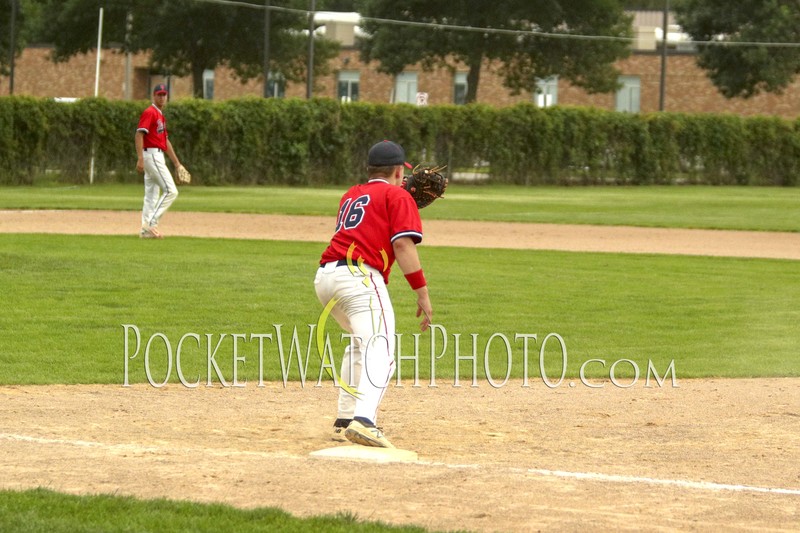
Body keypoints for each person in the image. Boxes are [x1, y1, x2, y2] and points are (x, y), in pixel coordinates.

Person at [314, 140, 433, 449]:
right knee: (381, 351)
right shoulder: (397, 195)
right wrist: (422, 292)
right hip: (359, 279)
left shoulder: (351, 194)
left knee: (360, 343)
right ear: (397, 170)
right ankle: (364, 420)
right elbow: (403, 246)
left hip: (326, 277)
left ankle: (344, 420)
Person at [135, 83, 183, 239]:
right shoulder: (150, 112)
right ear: (153, 96)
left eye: (164, 94)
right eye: (159, 94)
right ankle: (151, 225)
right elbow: (139, 135)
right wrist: (140, 158)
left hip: (157, 155)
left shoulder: (160, 115)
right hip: (151, 156)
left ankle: (145, 231)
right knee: (171, 191)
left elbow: (165, 142)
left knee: (151, 195)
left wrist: (177, 163)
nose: (162, 97)